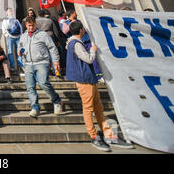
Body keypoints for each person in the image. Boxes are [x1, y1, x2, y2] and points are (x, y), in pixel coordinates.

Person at [66, 21, 133, 151]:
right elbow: (88, 59)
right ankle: (93, 135)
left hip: (89, 78)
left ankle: (108, 134)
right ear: (81, 30)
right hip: (84, 79)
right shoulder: (76, 44)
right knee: (88, 108)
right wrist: (93, 50)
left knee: (98, 107)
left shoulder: (74, 43)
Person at [18, 17, 63, 118]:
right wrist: (20, 51)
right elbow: (20, 46)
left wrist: (55, 61)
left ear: (35, 24)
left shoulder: (43, 34)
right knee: (30, 87)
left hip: (41, 62)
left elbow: (52, 47)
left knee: (43, 83)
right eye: (29, 25)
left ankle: (57, 100)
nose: (31, 27)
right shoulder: (23, 36)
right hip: (28, 64)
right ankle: (35, 107)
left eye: (33, 25)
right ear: (26, 25)